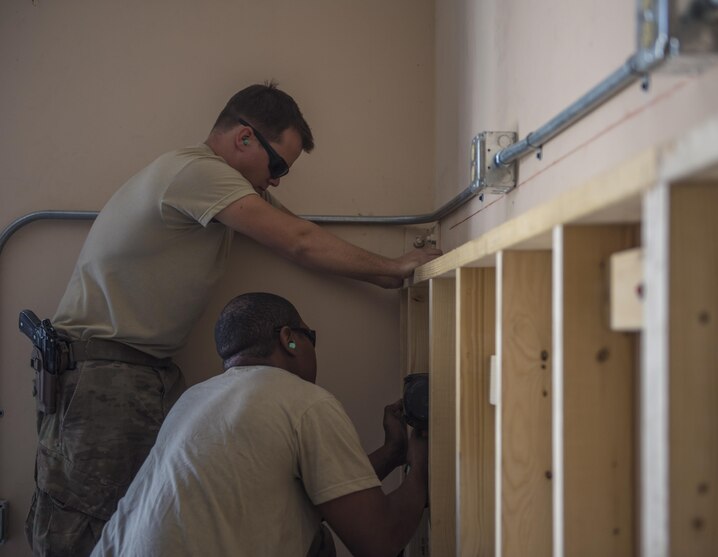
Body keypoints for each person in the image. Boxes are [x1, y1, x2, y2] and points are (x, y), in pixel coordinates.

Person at [24, 82, 441, 556]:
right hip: (105, 374)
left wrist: (387, 276)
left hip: (135, 373)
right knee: (83, 535)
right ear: (244, 139)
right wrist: (392, 270)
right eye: (278, 164)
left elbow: (301, 237)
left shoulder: (219, 189)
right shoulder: (199, 173)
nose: (278, 180)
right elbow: (298, 240)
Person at [91, 292, 429, 557]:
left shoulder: (194, 399)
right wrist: (422, 464)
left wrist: (393, 451)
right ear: (289, 339)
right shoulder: (305, 401)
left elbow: (313, 497)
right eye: (309, 336)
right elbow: (380, 541)